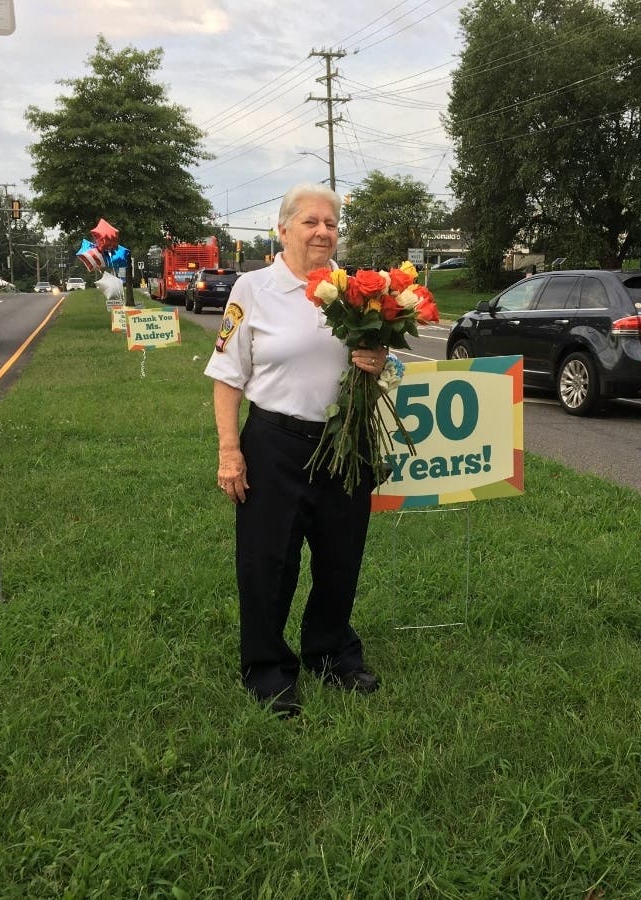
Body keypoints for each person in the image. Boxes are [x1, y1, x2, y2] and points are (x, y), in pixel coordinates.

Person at [204, 183, 389, 717]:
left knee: (340, 558)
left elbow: (378, 362)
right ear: (283, 229)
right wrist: (230, 451)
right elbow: (227, 374)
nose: (322, 232)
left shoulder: (352, 292)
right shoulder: (254, 288)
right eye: (310, 222)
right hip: (275, 445)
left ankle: (331, 653)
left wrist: (378, 358)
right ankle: (267, 668)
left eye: (330, 223)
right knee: (268, 562)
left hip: (343, 443)